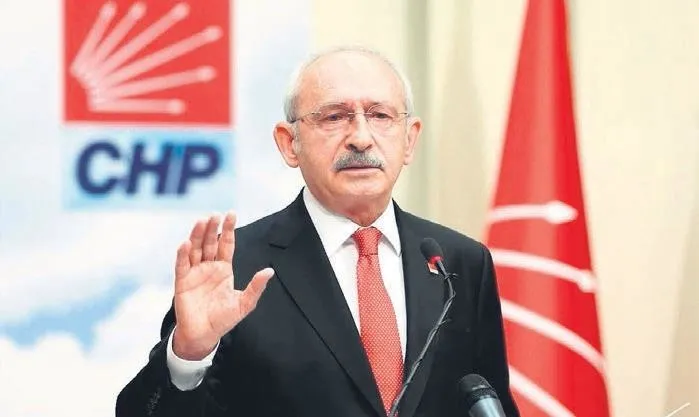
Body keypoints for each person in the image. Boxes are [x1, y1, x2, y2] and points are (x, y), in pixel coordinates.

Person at [115, 46, 519, 417]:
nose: (361, 138)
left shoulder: (459, 263)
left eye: (380, 116)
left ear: (409, 139)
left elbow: (489, 403)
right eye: (334, 117)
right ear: (289, 143)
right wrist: (189, 355)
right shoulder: (235, 266)